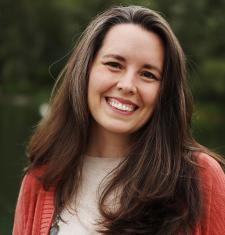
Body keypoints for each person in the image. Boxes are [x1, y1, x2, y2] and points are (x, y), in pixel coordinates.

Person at [13, 5, 225, 235]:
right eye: (114, 64)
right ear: (86, 71)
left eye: (148, 74)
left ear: (165, 92)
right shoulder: (41, 178)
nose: (127, 85)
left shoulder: (199, 177)